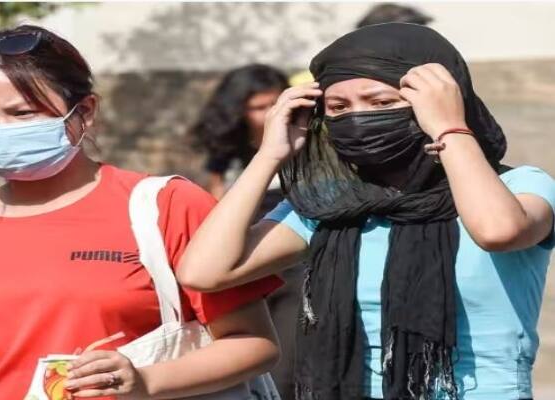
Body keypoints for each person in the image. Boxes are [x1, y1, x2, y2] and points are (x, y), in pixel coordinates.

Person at [0, 25, 283, 400]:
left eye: (23, 113)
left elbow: (253, 343)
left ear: (85, 111)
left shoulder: (166, 205)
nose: (0, 130)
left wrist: (146, 382)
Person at [178, 23, 554, 400]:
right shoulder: (332, 205)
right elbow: (204, 272)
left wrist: (450, 127)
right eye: (339, 108)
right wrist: (269, 155)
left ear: (438, 100)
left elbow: (497, 231)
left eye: (382, 103)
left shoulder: (519, 186)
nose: (358, 118)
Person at [190, 64, 300, 399]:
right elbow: (217, 203)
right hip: (240, 260)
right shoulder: (228, 154)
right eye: (257, 107)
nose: (267, 114)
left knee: (287, 364)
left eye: (273, 104)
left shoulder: (299, 143)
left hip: (289, 262)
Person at [191, 63, 288, 204]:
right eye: (259, 108)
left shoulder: (302, 139)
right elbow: (217, 191)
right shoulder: (226, 147)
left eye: (276, 104)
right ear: (238, 110)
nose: (271, 112)